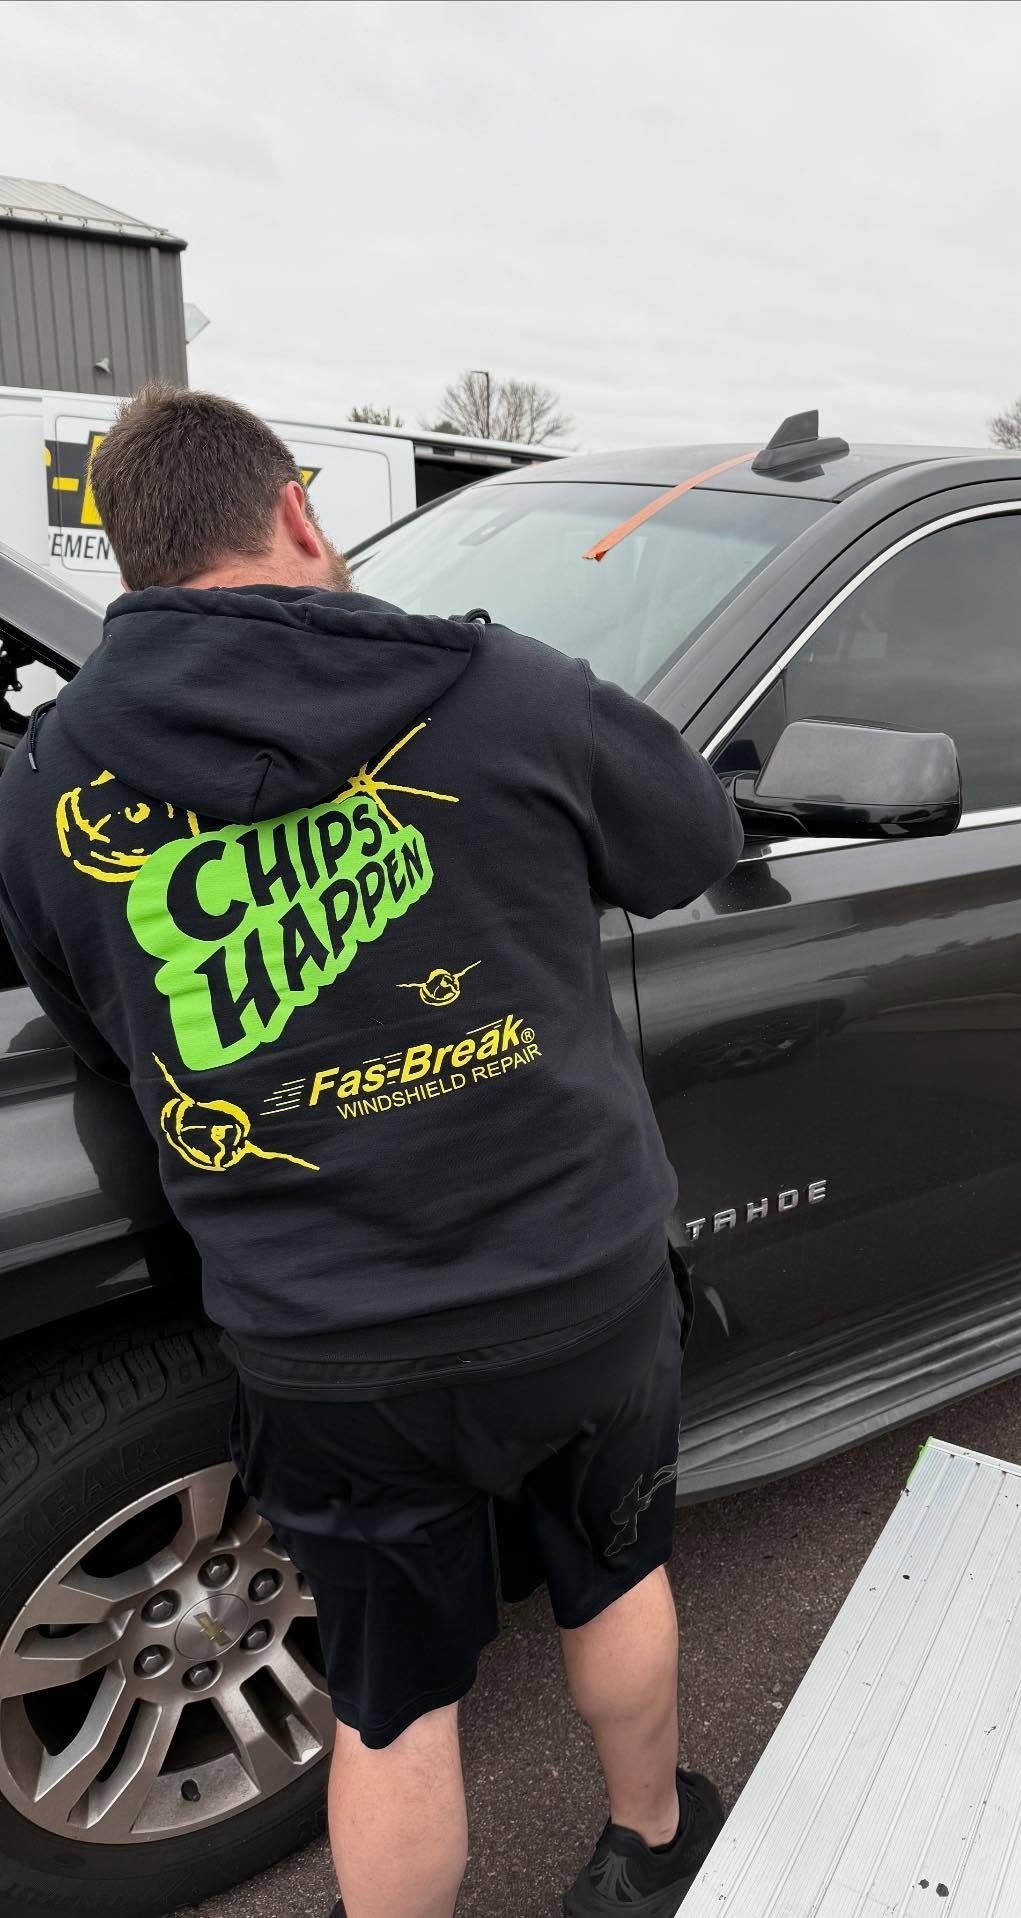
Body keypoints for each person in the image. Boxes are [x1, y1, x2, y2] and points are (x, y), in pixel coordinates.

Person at [0, 386, 743, 1918]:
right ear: (296, 512)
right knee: (614, 1576)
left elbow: (93, 1029)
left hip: (330, 1345)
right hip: (582, 1292)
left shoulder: (50, 783)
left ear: (133, 558)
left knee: (393, 1703)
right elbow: (694, 845)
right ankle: (647, 1845)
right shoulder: (505, 690)